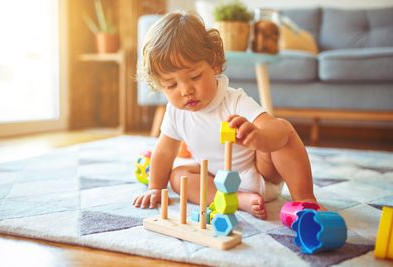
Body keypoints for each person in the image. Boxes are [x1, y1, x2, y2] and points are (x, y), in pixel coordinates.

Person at [133, 11, 321, 219]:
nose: (186, 90)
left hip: (260, 174)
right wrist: (155, 187)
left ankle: (305, 199)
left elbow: (272, 128)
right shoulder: (175, 112)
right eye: (171, 84)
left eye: (194, 76)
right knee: (178, 177)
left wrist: (259, 137)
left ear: (214, 64)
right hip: (217, 180)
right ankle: (236, 199)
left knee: (283, 129)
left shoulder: (234, 101)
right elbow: (164, 152)